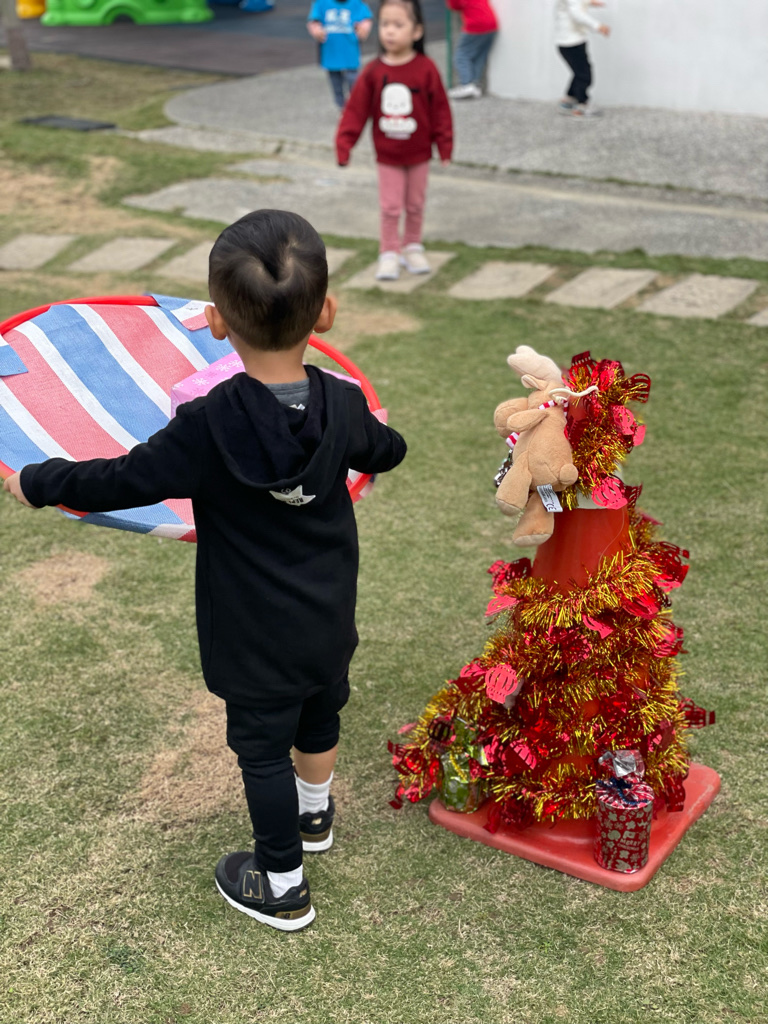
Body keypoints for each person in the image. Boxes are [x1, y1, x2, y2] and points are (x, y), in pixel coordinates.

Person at [2, 209, 407, 933]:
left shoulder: (206, 424)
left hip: (250, 633)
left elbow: (121, 479)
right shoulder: (343, 405)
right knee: (320, 713)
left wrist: (36, 480)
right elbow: (389, 450)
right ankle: (314, 818)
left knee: (262, 751)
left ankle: (282, 883)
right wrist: (372, 427)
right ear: (326, 313)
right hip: (326, 614)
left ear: (215, 322)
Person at [336, 0, 453, 281]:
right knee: (390, 207)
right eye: (385, 24)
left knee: (415, 204)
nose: (389, 31)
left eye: (398, 25)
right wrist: (344, 145)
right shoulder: (373, 71)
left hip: (419, 155)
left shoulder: (426, 68)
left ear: (417, 31)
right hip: (387, 156)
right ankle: (389, 251)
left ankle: (412, 246)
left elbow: (440, 110)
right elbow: (355, 111)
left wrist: (445, 145)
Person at [307, 0, 373, 110]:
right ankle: (341, 105)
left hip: (349, 49)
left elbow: (366, 18)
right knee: (335, 81)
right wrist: (317, 31)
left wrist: (363, 29)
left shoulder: (356, 3)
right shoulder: (322, 3)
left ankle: (355, 103)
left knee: (353, 79)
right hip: (331, 49)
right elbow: (314, 21)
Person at [555, 0, 610, 117]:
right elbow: (576, 13)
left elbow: (573, 4)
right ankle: (581, 106)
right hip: (572, 42)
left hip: (569, 41)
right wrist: (598, 26)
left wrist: (589, 2)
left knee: (579, 72)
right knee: (584, 75)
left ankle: (569, 100)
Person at [444, 0, 498, 100]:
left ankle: (466, 84)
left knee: (461, 55)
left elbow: (454, 7)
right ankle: (475, 86)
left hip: (476, 24)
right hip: (492, 24)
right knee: (480, 56)